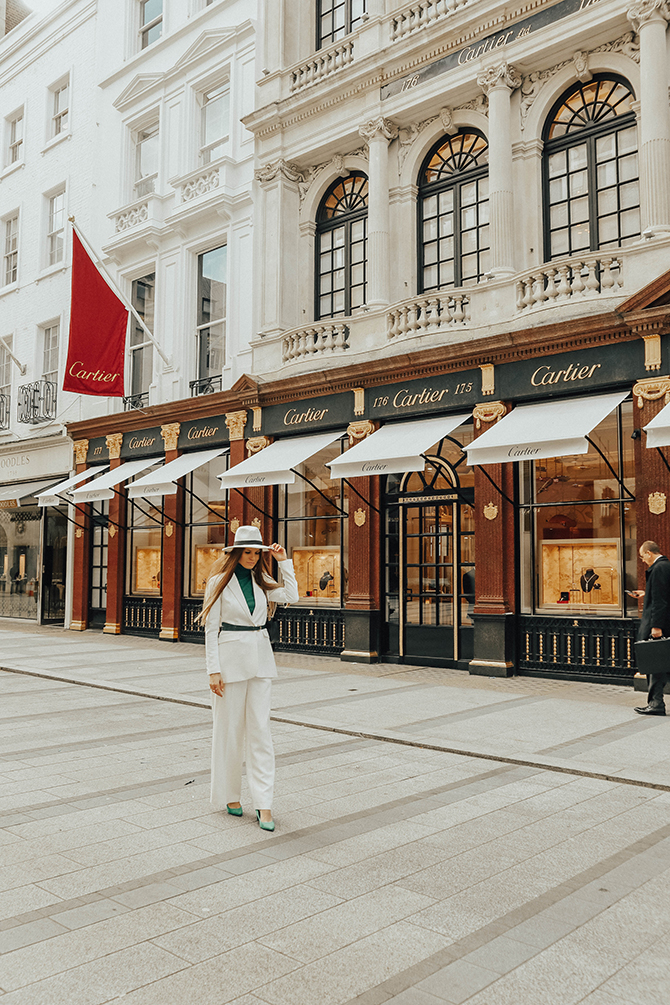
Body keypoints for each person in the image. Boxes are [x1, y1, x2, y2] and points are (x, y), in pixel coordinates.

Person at [200, 525, 299, 830]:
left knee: (260, 731)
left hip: (260, 661)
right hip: (229, 664)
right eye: (249, 552)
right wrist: (213, 670)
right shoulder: (218, 581)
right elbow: (210, 628)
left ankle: (264, 804)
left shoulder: (263, 580)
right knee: (228, 730)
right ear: (236, 553)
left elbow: (292, 596)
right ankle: (230, 794)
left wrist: (283, 561)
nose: (254, 558)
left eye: (257, 553)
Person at [630, 540, 670, 716]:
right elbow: (662, 593)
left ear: (649, 553)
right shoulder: (665, 566)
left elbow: (661, 601)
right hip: (661, 622)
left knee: (654, 665)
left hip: (657, 624)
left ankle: (656, 703)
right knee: (659, 664)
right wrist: (646, 593)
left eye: (642, 556)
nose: (642, 560)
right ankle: (656, 702)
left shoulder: (659, 568)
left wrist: (656, 626)